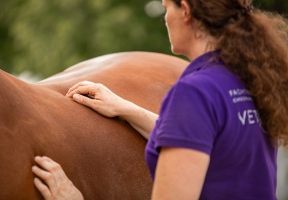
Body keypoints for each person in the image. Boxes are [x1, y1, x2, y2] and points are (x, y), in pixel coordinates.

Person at [32, 0, 288, 199]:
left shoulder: (194, 91)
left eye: (166, 7)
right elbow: (208, 141)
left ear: (185, 10)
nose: (166, 18)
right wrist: (126, 109)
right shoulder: (249, 77)